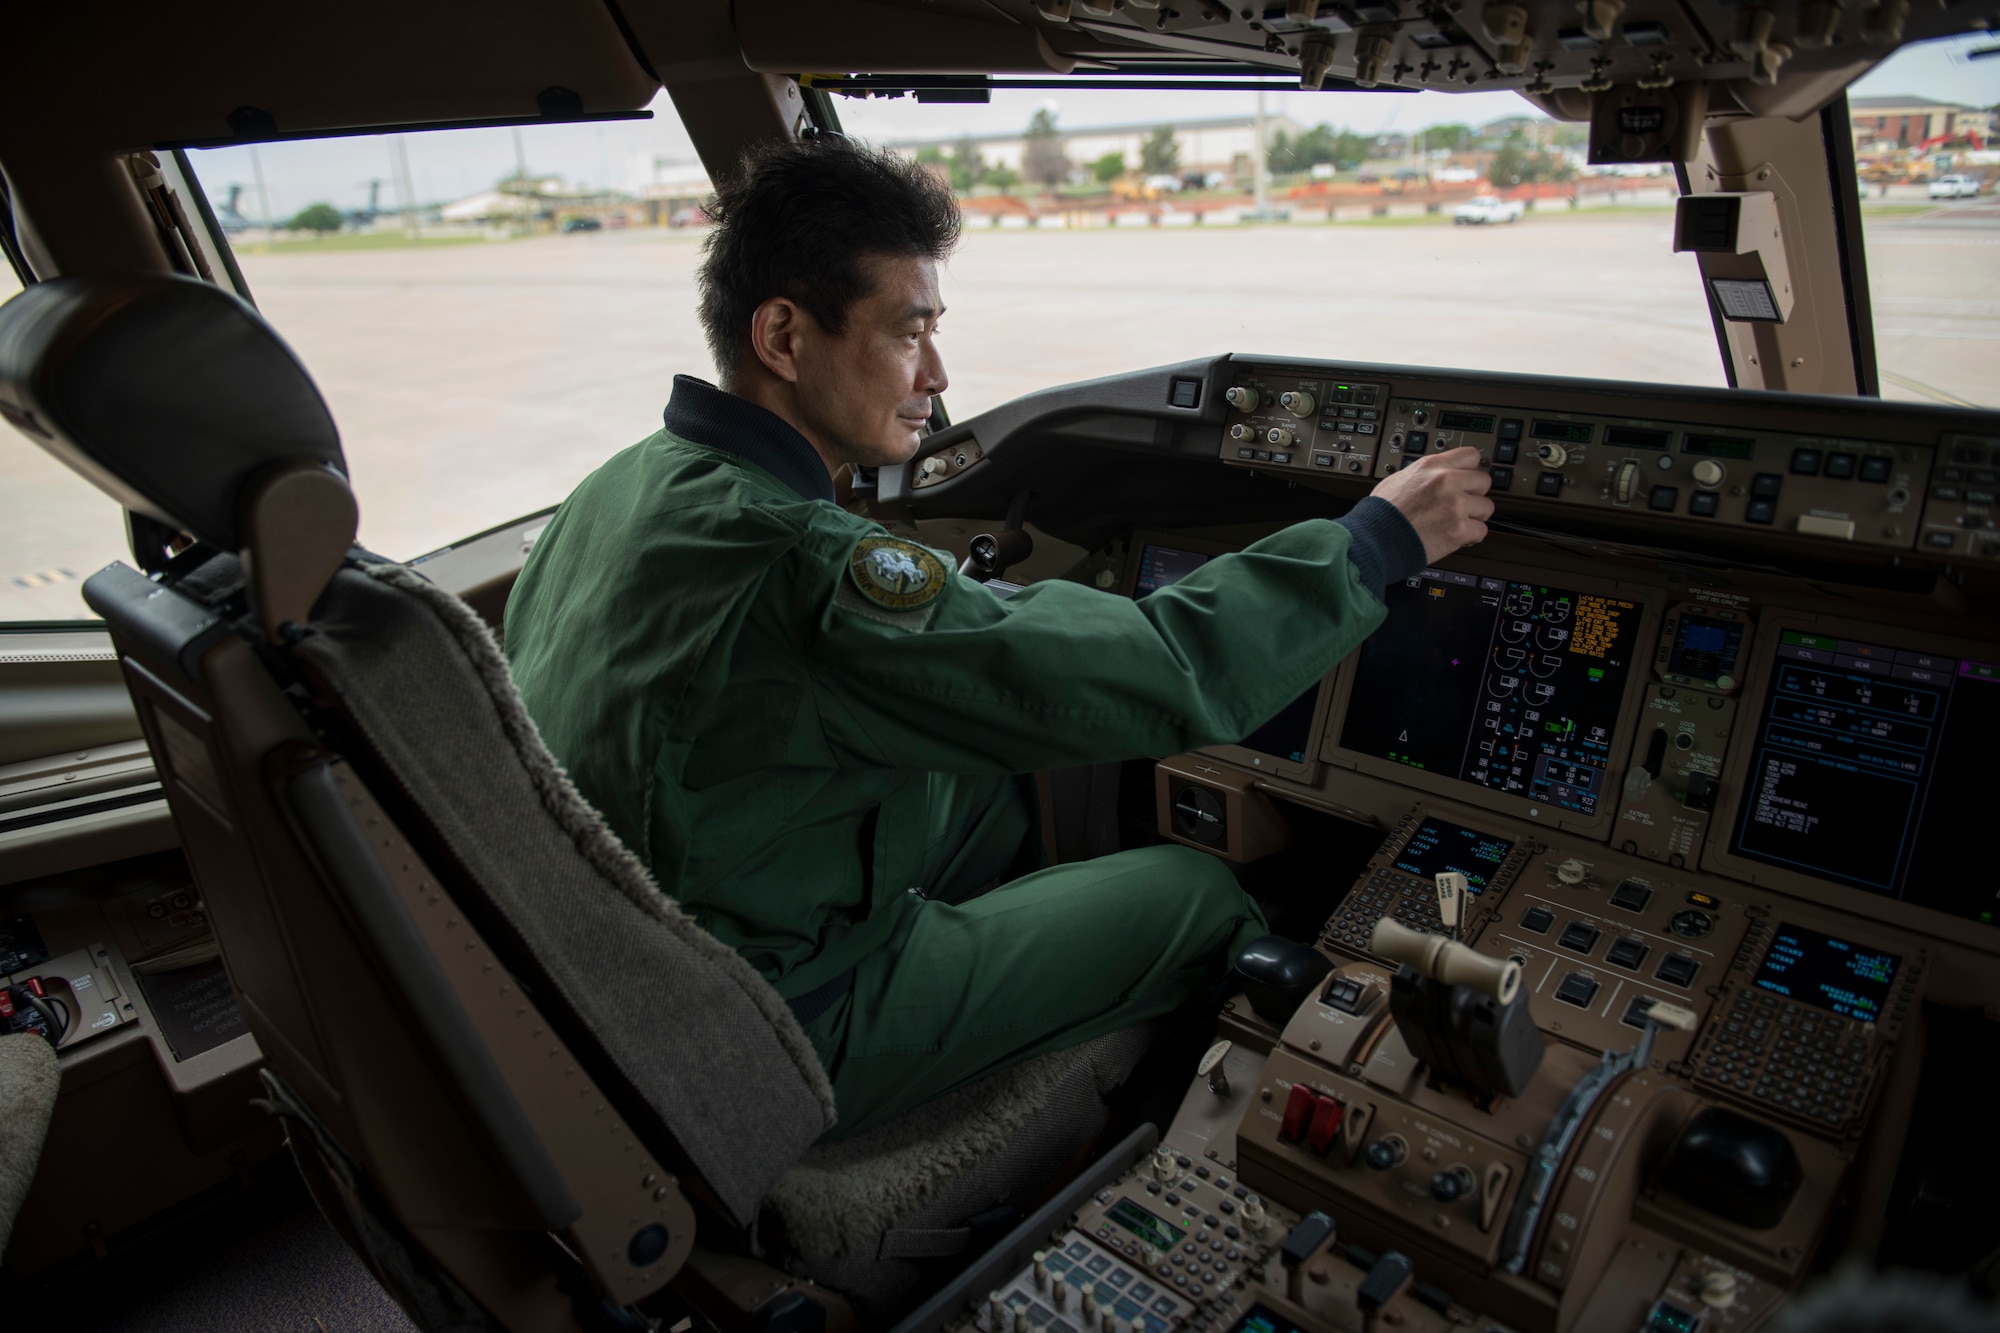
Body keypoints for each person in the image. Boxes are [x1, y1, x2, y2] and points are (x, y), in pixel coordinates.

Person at [504, 137, 1493, 1139]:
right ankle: (1164, 1144)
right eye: (907, 333)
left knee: (997, 779)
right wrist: (1373, 542)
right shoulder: (799, 561)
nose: (935, 372)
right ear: (783, 337)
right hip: (767, 1021)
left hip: (638, 947)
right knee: (1192, 892)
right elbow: (1163, 667)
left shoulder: (624, 482)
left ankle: (1012, 956)